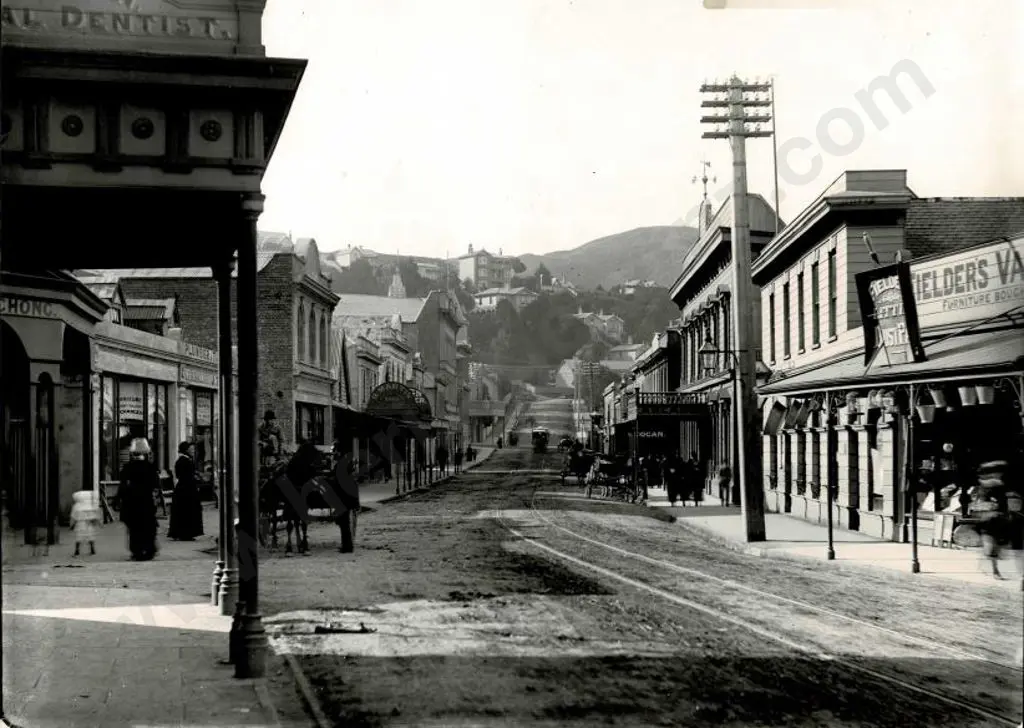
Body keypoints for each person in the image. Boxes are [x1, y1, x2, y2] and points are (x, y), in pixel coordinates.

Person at [119, 438, 159, 561]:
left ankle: (136, 550)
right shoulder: (150, 467)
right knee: (147, 525)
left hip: (132, 501)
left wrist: (119, 498)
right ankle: (149, 549)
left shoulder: (128, 467)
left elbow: (123, 484)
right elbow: (155, 484)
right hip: (146, 500)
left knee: (134, 527)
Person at [168, 441, 204, 541]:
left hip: (183, 488)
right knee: (188, 511)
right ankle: (186, 533)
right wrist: (195, 478)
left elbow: (179, 475)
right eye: (191, 449)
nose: (193, 451)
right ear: (186, 450)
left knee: (182, 511)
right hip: (187, 489)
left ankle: (180, 533)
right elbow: (185, 476)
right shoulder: (185, 461)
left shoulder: (182, 460)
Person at [70, 490, 101, 557]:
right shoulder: (91, 505)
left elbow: (73, 517)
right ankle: (92, 549)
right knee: (90, 536)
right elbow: (96, 515)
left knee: (78, 537)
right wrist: (99, 523)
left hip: (80, 523)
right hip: (89, 523)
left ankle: (77, 550)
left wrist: (72, 525)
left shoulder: (76, 506)